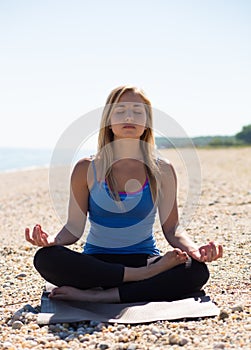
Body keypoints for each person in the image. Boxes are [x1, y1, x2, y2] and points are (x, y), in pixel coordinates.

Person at [25, 85, 223, 303]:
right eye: (120, 111)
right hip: (98, 263)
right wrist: (52, 240)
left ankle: (103, 295)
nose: (129, 116)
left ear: (147, 122)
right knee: (46, 258)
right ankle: (139, 280)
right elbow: (73, 228)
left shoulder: (162, 169)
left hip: (144, 259)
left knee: (196, 270)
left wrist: (195, 251)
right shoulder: (86, 168)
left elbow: (172, 228)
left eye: (138, 112)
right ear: (108, 120)